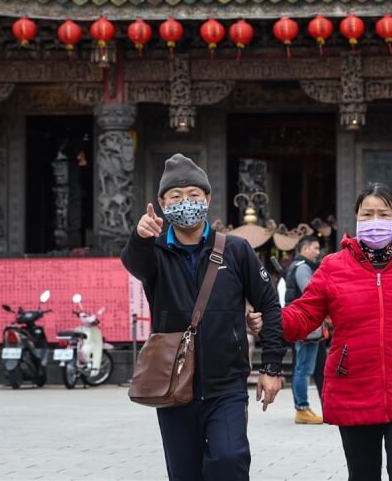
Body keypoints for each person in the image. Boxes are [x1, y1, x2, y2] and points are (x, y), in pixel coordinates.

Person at [275, 184, 392, 481]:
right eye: (367, 214)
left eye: (383, 213)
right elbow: (305, 314)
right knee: (362, 474)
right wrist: (271, 319)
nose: (374, 220)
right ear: (356, 219)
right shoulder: (332, 267)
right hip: (353, 388)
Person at [121, 153, 285, 481]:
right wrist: (140, 237)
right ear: (162, 203)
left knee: (229, 460)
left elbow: (269, 304)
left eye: (194, 195)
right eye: (176, 197)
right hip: (172, 386)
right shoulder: (155, 255)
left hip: (227, 385)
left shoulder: (236, 251)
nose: (186, 203)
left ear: (207, 198)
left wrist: (271, 368)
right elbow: (133, 263)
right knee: (185, 473)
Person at [284, 234, 325, 424]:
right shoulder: (302, 269)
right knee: (303, 368)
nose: (318, 252)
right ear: (305, 249)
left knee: (304, 367)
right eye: (315, 248)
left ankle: (303, 407)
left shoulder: (300, 267)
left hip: (305, 326)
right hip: (306, 326)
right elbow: (313, 293)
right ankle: (302, 408)